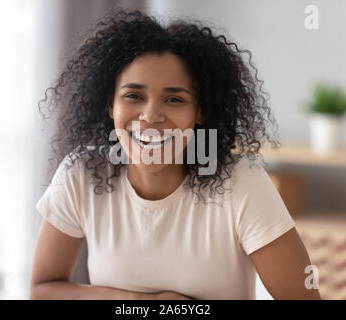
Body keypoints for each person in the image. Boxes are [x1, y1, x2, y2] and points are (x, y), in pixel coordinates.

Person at [30, 9, 321, 300]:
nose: (151, 116)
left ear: (200, 111)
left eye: (174, 99)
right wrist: (140, 302)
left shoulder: (241, 182)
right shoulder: (82, 173)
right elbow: (42, 291)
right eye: (134, 96)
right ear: (110, 105)